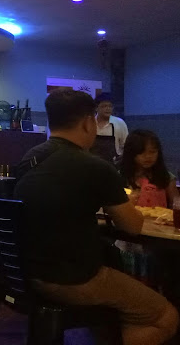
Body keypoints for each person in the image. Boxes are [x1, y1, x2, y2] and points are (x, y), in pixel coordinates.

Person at [14, 89, 177, 345]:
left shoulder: (30, 157)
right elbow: (132, 226)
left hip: (27, 272)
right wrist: (129, 203)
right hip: (75, 278)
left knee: (124, 307)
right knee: (166, 316)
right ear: (88, 123)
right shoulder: (94, 166)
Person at [121, 129, 178, 208]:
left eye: (152, 152)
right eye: (141, 152)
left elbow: (176, 203)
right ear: (131, 153)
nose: (148, 156)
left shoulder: (166, 177)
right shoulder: (120, 177)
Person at [94, 92, 128, 160]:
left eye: (110, 106)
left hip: (113, 163)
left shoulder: (119, 123)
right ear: (96, 108)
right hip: (93, 162)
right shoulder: (90, 122)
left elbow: (126, 145)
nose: (108, 109)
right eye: (104, 106)